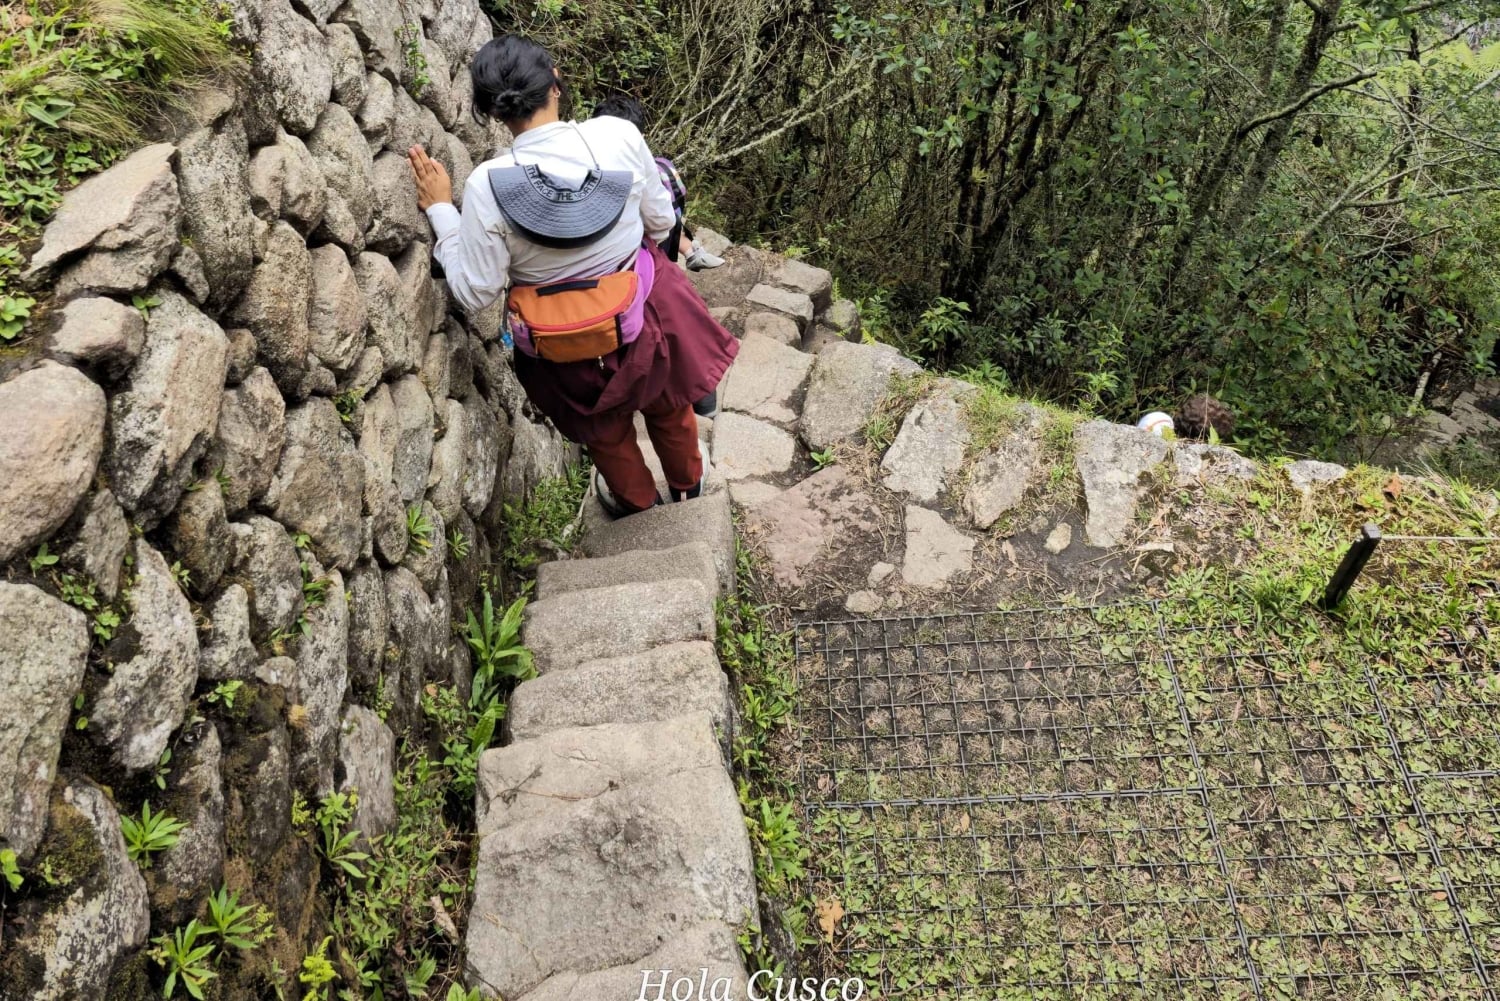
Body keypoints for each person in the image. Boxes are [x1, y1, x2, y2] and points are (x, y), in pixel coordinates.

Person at [407, 34, 738, 517]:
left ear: (494, 112)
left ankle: (637, 505)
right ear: (555, 83)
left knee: (602, 429)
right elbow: (663, 223)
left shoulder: (486, 186)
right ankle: (689, 487)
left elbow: (475, 291)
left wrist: (441, 211)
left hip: (563, 346)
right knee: (668, 404)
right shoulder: (619, 137)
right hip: (645, 314)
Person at [590, 94, 725, 272]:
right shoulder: (649, 170)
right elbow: (661, 223)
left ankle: (689, 249)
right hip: (625, 256)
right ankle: (689, 250)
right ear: (641, 137)